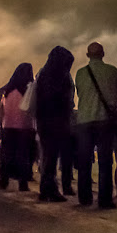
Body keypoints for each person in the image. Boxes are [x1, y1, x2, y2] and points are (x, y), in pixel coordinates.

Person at [74, 42, 117, 209]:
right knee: (105, 161)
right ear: (103, 54)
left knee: (85, 161)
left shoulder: (80, 73)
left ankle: (85, 198)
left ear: (88, 55)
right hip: (104, 121)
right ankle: (104, 199)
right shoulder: (113, 71)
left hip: (84, 120)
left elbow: (80, 93)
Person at [34, 46, 77, 202]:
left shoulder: (43, 75)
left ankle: (46, 190)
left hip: (43, 120)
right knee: (52, 157)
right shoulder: (61, 78)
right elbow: (65, 101)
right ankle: (50, 190)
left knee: (47, 156)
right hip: (57, 121)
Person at [0, 63, 36, 192]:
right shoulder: (29, 89)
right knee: (23, 156)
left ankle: (3, 181)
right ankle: (23, 184)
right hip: (25, 127)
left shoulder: (7, 90)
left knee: (7, 155)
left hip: (7, 126)